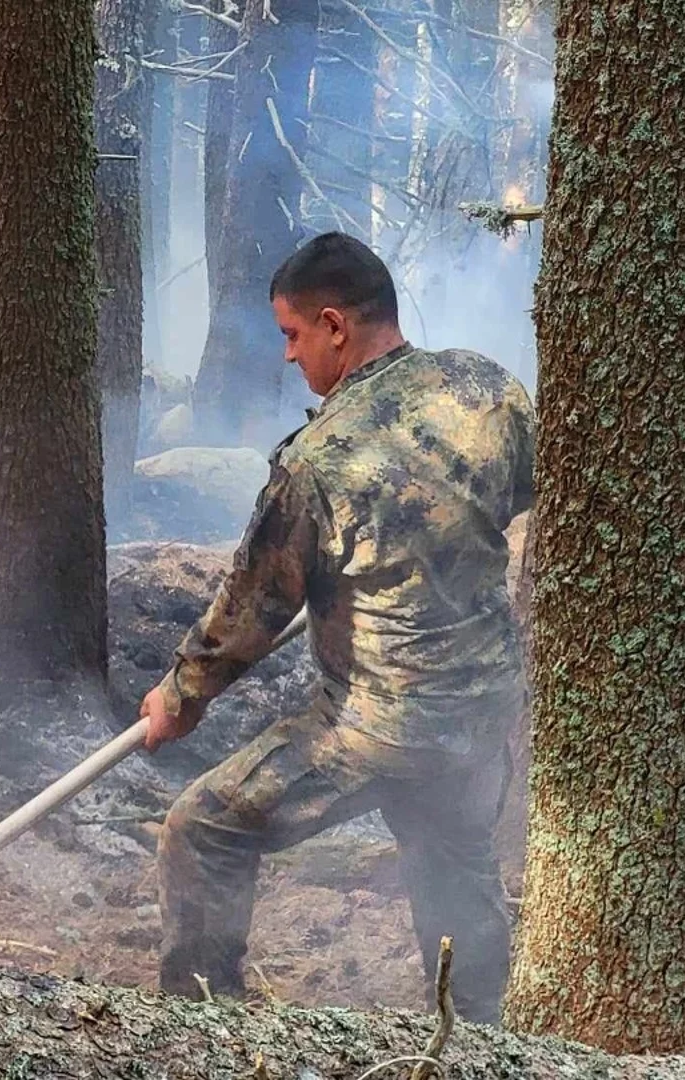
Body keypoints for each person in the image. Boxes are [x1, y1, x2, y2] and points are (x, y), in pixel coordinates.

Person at [142, 231, 535, 1023]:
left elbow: (249, 610)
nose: (290, 358)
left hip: (377, 726)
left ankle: (199, 1026)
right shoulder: (488, 389)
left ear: (334, 325)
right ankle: (483, 1043)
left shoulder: (318, 459)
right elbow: (517, 499)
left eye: (292, 335)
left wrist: (181, 695)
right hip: (484, 711)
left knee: (202, 831)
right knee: (454, 871)